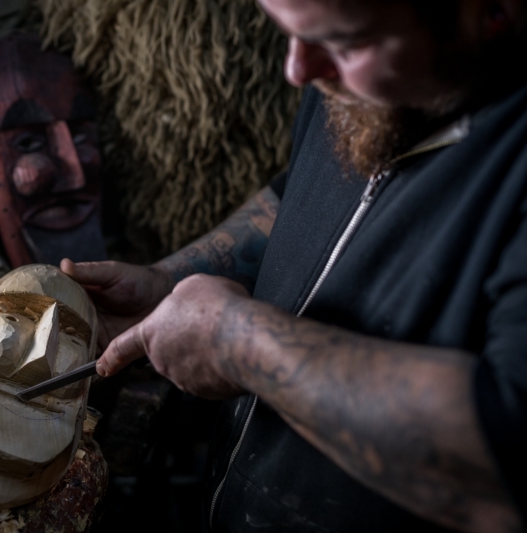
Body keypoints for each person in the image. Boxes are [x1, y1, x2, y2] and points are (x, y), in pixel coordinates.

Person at [60, 0, 527, 531]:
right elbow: (303, 197)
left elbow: (504, 454)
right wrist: (172, 281)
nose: (297, 70)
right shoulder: (355, 72)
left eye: (344, 43)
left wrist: (238, 344)